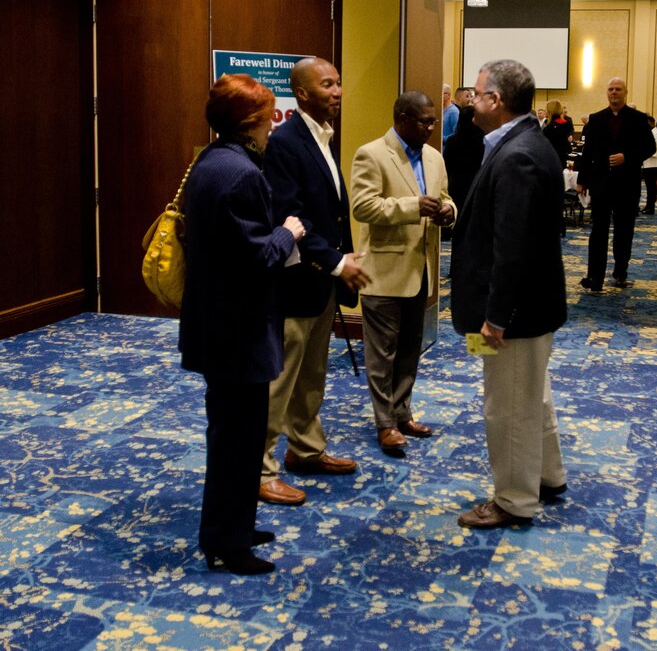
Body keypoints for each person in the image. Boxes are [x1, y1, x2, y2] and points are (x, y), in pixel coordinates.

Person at [179, 74, 306, 575]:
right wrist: (288, 231)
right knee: (239, 440)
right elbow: (257, 256)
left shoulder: (209, 161)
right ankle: (228, 544)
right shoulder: (243, 173)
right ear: (252, 121)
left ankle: (231, 525)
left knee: (232, 436)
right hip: (240, 330)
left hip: (218, 324)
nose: (275, 125)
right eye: (270, 116)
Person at [451, 59, 568, 529]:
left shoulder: (517, 154)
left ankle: (515, 500)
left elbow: (513, 249)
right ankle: (548, 475)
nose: (469, 101)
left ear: (495, 101)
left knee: (509, 407)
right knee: (532, 395)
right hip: (528, 307)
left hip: (512, 314)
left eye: (476, 94)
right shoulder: (523, 143)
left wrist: (496, 317)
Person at [258, 57, 371, 505]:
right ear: (302, 93)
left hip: (320, 281)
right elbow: (293, 214)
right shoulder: (285, 142)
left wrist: (338, 263)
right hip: (295, 282)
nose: (338, 91)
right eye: (328, 84)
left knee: (312, 376)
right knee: (279, 380)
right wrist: (339, 263)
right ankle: (259, 469)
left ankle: (304, 450)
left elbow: (330, 211)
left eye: (339, 83)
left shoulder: (321, 137)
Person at [351, 91, 456, 453]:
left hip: (421, 269)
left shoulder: (434, 157)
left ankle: (402, 413)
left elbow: (445, 197)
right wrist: (413, 207)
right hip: (383, 270)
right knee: (382, 355)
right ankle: (384, 423)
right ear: (401, 118)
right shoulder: (371, 154)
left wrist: (449, 212)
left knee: (411, 349)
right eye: (424, 121)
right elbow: (363, 207)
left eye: (432, 121)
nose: (430, 127)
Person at [577, 77, 656, 291]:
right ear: (607, 93)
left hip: (627, 185)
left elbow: (650, 148)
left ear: (625, 92)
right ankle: (595, 277)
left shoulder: (638, 119)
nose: (614, 92)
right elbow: (587, 152)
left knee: (624, 231)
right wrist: (581, 180)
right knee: (598, 231)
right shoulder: (596, 119)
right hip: (601, 184)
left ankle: (620, 271)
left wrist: (627, 157)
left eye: (618, 89)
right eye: (611, 89)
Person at [443, 106, 485, 234]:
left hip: (456, 183)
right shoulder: (484, 141)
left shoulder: (452, 141)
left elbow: (446, 165)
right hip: (477, 183)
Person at [640, 114, 657, 215]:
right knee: (649, 186)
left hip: (652, 164)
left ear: (651, 123)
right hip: (648, 164)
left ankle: (650, 206)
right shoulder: (651, 133)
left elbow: (654, 152)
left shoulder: (655, 135)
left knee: (651, 186)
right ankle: (649, 205)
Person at [542, 99, 574, 163]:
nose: (545, 111)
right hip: (563, 157)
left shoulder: (550, 127)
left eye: (546, 109)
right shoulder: (565, 123)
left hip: (552, 159)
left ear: (550, 110)